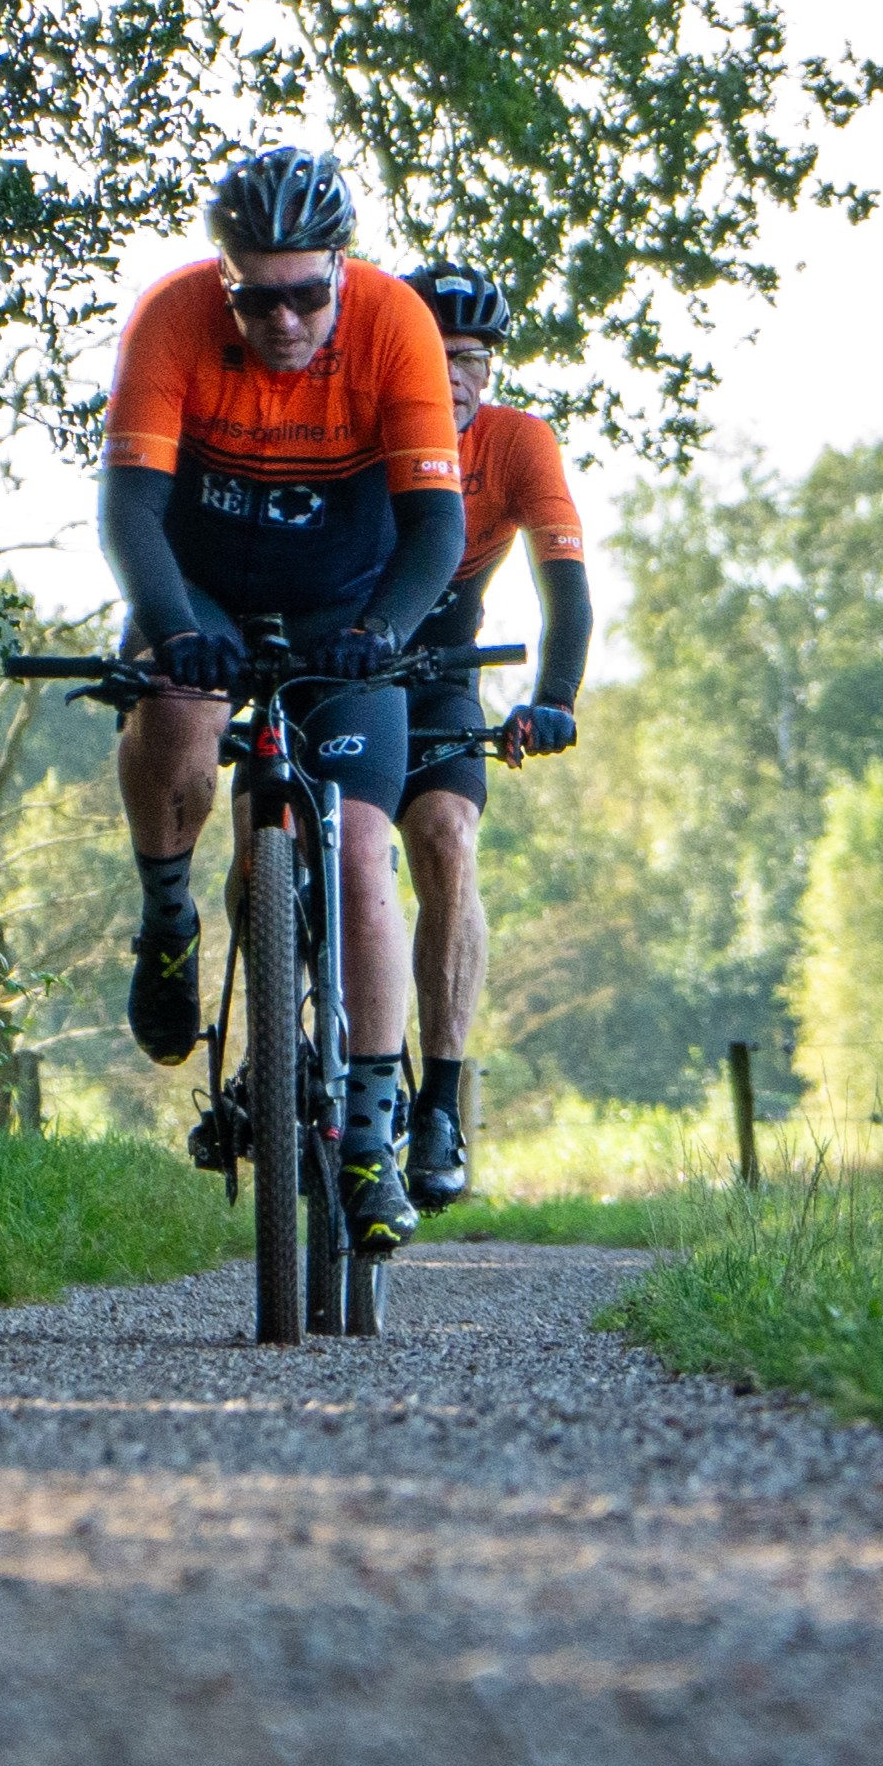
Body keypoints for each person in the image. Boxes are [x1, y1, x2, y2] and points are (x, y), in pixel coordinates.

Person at [99, 145, 466, 1253]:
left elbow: (438, 527)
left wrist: (383, 635)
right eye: (259, 298)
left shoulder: (397, 325)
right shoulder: (169, 321)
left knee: (361, 851)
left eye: (309, 294)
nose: (286, 320)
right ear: (227, 284)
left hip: (347, 606)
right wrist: (174, 635)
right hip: (204, 588)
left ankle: (366, 1131)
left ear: (342, 277)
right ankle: (168, 914)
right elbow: (129, 515)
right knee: (174, 720)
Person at [393, 265, 588, 1209]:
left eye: (473, 358)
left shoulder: (517, 444)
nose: (458, 377)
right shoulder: (357, 429)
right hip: (330, 657)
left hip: (439, 673)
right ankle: (279, 1046)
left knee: (446, 839)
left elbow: (566, 586)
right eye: (437, 356)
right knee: (277, 833)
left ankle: (436, 1103)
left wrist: (554, 695)